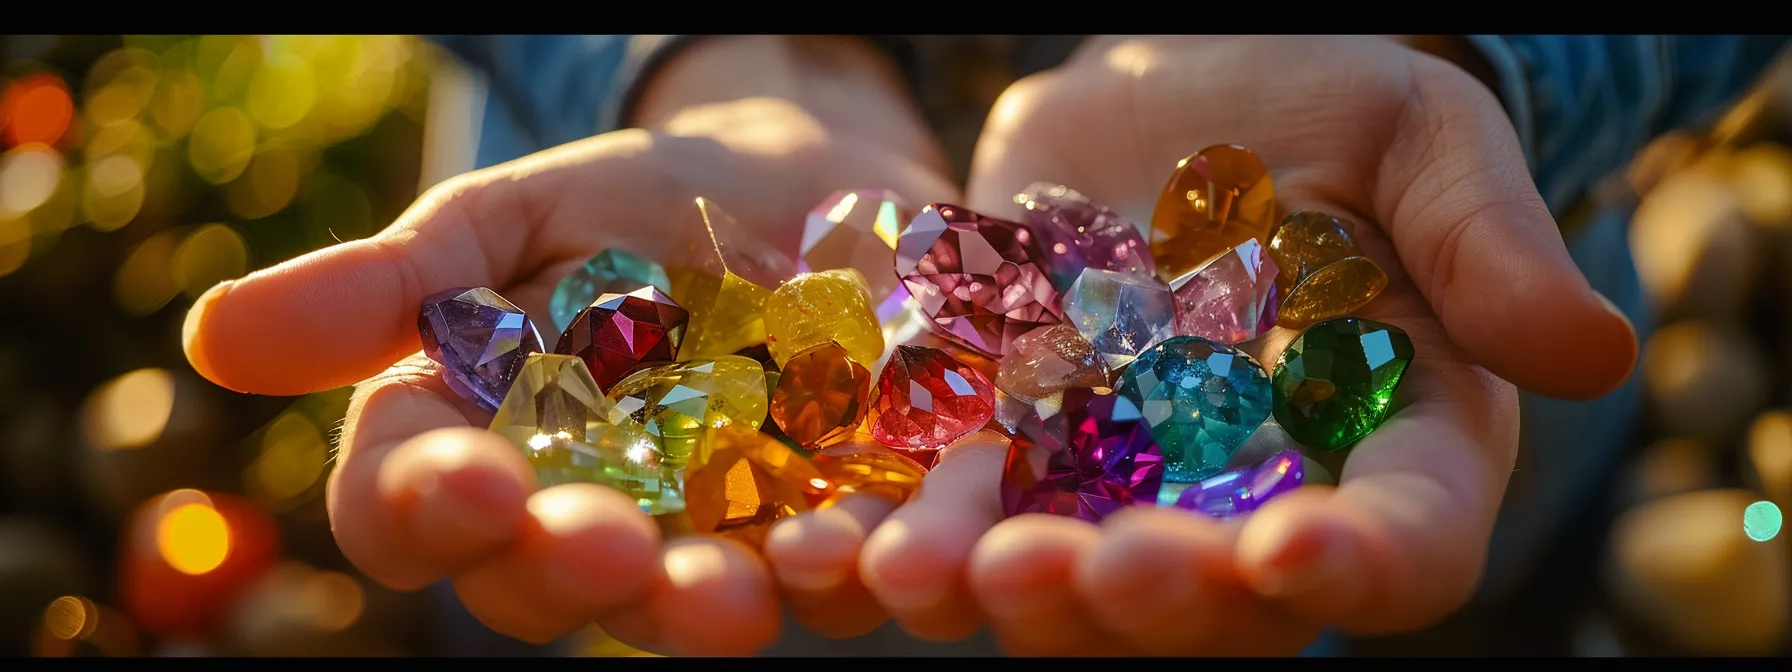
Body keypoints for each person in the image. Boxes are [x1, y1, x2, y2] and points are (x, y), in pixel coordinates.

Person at [178, 35, 1788, 656]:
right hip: (726, 423)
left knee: (1437, 600)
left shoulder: (1206, 331)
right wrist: (683, 58)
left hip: (1413, 471)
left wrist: (1472, 58)